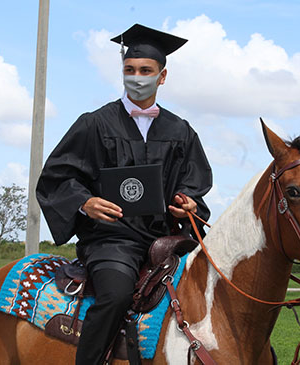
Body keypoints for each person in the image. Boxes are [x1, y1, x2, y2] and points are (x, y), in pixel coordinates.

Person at [36, 23, 212, 364]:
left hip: (167, 240)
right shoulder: (95, 124)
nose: (137, 77)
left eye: (146, 70)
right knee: (115, 296)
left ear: (162, 77)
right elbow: (57, 176)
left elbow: (194, 184)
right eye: (129, 70)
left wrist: (187, 202)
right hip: (111, 240)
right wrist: (85, 203)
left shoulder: (181, 131)